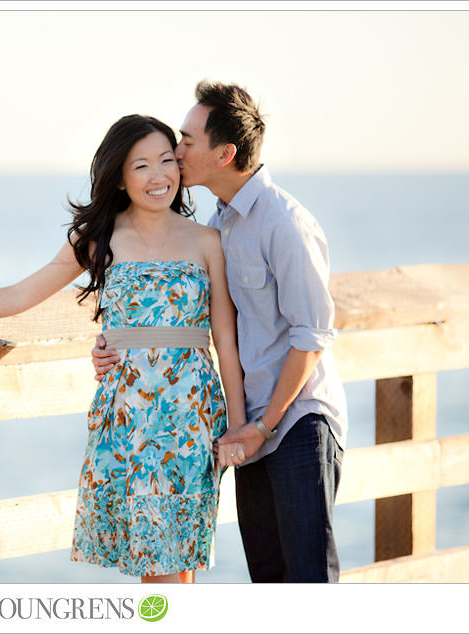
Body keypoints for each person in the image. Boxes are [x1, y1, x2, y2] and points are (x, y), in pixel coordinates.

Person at [0, 114, 246, 583]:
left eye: (165, 161)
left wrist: (237, 427)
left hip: (191, 415)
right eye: (141, 166)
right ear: (118, 176)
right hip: (128, 414)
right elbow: (19, 295)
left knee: (181, 558)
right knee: (156, 560)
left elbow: (226, 342)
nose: (159, 177)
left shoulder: (208, 241)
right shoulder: (98, 240)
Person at [92, 81, 349, 583]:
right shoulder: (221, 222)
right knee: (269, 582)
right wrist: (114, 343)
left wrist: (264, 426)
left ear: (225, 153)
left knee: (309, 581)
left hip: (294, 423)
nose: (177, 151)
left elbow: (312, 338)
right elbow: (193, 315)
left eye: (187, 142)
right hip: (244, 428)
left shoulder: (285, 222)